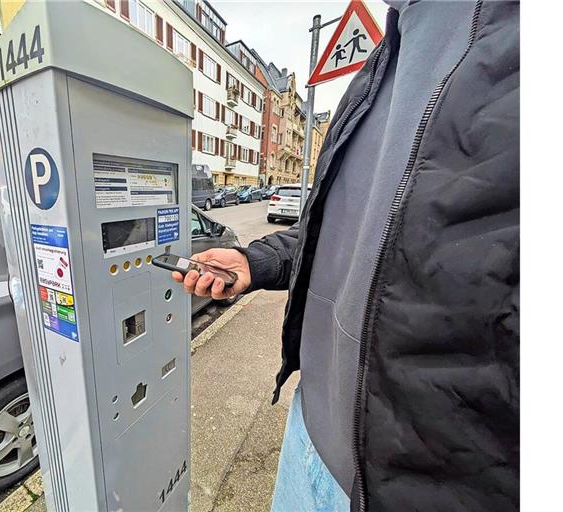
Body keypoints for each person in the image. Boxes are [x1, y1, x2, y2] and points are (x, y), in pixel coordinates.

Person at [173, 1, 519, 511]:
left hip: (421, 486)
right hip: (308, 437)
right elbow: (330, 229)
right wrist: (256, 262)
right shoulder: (376, 69)